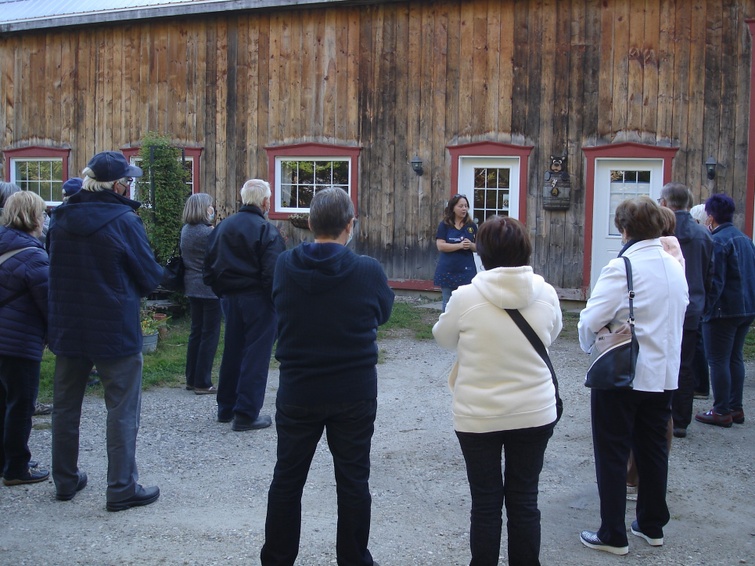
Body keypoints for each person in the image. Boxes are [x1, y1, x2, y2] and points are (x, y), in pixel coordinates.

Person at [260, 187, 394, 566]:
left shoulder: (286, 265)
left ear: (312, 224)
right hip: (353, 390)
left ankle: (277, 558)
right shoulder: (367, 270)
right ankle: (353, 559)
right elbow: (383, 312)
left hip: (299, 389)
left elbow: (278, 303)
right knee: (353, 481)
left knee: (287, 478)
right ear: (349, 225)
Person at [433, 215, 562, 566]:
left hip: (478, 414)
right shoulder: (545, 292)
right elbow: (552, 334)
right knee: (524, 499)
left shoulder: (465, 296)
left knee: (486, 502)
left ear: (483, 254)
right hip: (534, 409)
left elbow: (442, 338)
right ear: (525, 249)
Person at [48, 151, 164, 510]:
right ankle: (121, 487)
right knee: (122, 407)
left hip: (69, 325)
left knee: (66, 406)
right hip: (113, 327)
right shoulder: (124, 221)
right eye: (127, 180)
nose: (130, 185)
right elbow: (148, 277)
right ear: (116, 185)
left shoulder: (60, 218)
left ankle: (65, 480)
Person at [578, 196, 688, 555]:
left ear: (623, 228)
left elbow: (591, 319)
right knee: (653, 450)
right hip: (664, 372)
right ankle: (652, 524)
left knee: (612, 451)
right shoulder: (674, 265)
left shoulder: (622, 267)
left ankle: (613, 533)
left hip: (625, 372)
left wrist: (588, 339)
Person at [203, 179, 285, 431]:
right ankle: (247, 413)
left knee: (233, 350)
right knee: (256, 355)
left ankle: (225, 407)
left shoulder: (222, 227)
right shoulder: (266, 230)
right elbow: (273, 272)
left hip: (230, 297)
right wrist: (275, 300)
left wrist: (222, 291)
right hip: (258, 299)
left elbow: (208, 266)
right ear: (265, 202)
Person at [0, 191, 50, 486]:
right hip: (19, 341)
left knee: (4, 401)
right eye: (43, 214)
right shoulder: (33, 255)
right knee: (21, 405)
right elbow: (48, 302)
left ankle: (5, 460)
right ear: (33, 218)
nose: (45, 219)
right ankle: (17, 467)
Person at [695, 194, 755, 427]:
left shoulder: (718, 242)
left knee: (718, 359)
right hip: (746, 309)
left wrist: (705, 309)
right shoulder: (745, 239)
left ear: (710, 217)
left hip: (723, 310)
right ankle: (735, 407)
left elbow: (715, 281)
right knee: (734, 357)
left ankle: (721, 410)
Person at [658, 183, 713, 438]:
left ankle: (660, 413)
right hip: (693, 306)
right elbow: (710, 273)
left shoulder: (660, 232)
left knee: (659, 358)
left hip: (664, 306)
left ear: (667, 203)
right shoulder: (703, 234)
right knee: (685, 363)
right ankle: (681, 420)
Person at [180, 193, 220, 395]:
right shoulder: (208, 232)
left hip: (192, 286)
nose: (212, 209)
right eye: (210, 206)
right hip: (209, 288)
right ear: (204, 209)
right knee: (209, 335)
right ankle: (203, 382)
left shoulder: (186, 230)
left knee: (196, 333)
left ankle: (191, 378)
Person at [434, 194, 477, 311]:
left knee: (467, 302)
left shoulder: (471, 226)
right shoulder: (445, 225)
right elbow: (441, 246)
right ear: (453, 208)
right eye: (461, 206)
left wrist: (471, 245)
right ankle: (447, 328)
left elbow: (478, 247)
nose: (464, 209)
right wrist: (459, 245)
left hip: (466, 270)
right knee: (448, 302)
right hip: (448, 269)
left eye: (466, 206)